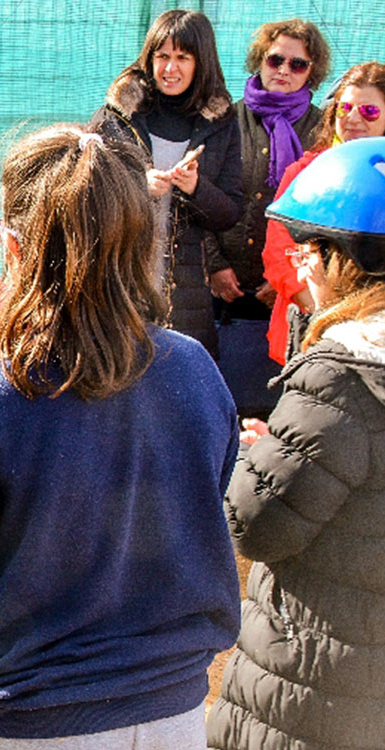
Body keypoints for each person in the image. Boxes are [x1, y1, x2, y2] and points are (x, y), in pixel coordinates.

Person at [0, 124, 241, 748]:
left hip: (27, 715)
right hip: (175, 712)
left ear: (11, 246)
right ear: (143, 242)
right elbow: (208, 499)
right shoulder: (195, 370)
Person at [206, 136, 385, 750]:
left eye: (312, 248)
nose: (301, 263)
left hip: (319, 683)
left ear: (349, 259)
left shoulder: (342, 374)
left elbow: (254, 525)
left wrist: (254, 458)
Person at [89, 8, 243, 357]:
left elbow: (229, 213)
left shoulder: (221, 122)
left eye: (182, 58)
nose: (170, 68)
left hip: (186, 293)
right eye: (162, 56)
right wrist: (136, 185)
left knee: (180, 391)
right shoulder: (116, 115)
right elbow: (85, 187)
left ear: (200, 62)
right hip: (117, 282)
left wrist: (194, 188)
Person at [210, 19, 329, 419]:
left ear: (313, 72)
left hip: (286, 300)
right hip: (218, 295)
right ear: (259, 60)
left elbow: (318, 220)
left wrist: (285, 283)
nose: (283, 70)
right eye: (276, 59)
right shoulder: (226, 119)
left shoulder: (322, 131)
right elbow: (197, 198)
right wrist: (214, 265)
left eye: (298, 64)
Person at [261, 62, 385, 364]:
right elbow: (278, 255)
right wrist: (323, 314)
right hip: (307, 334)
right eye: (344, 108)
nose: (353, 118)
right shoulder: (304, 172)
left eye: (369, 111)